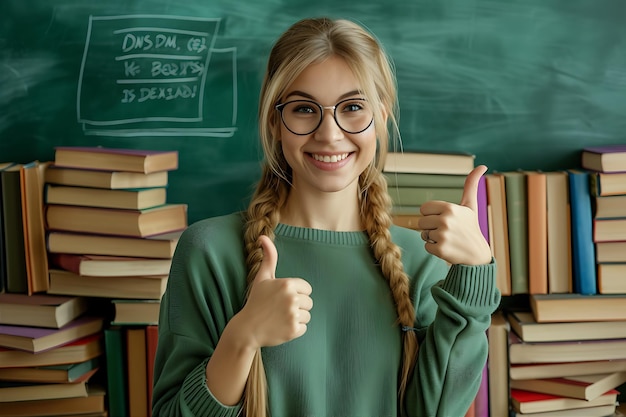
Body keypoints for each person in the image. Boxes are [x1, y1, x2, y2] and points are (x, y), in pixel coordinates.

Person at [152, 17, 500, 417]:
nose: (329, 134)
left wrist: (474, 274)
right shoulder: (209, 252)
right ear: (275, 122)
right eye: (303, 109)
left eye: (353, 108)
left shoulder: (422, 263)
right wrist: (242, 337)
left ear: (381, 118)